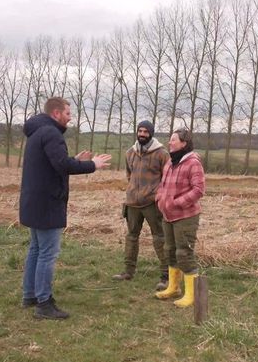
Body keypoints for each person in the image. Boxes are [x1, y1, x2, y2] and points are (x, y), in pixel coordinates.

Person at [19, 97, 111, 320]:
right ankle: (44, 303)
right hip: (48, 203)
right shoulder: (51, 133)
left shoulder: (38, 132)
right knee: (47, 253)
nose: (71, 117)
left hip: (34, 203)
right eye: (68, 113)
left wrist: (74, 159)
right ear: (56, 113)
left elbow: (55, 163)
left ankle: (30, 295)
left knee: (36, 250)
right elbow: (61, 165)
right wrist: (92, 165)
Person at [112, 120, 170, 291]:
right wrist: (133, 192)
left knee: (160, 238)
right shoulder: (130, 153)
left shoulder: (162, 154)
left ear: (151, 133)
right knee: (131, 237)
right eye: (140, 131)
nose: (142, 134)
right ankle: (128, 272)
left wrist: (157, 195)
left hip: (152, 204)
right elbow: (129, 175)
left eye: (146, 131)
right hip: (132, 203)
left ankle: (166, 276)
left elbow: (167, 179)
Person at [154, 129, 205, 308]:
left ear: (184, 143)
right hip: (168, 216)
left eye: (173, 140)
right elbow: (162, 184)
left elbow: (198, 189)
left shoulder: (193, 163)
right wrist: (160, 197)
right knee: (170, 251)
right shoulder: (170, 162)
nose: (170, 142)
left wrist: (177, 203)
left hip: (185, 216)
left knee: (184, 253)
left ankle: (192, 295)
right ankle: (173, 288)